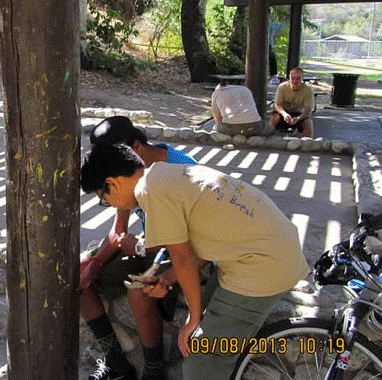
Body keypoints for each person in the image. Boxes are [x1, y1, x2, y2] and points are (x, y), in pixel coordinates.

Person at [80, 143, 309, 380]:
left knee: (200, 367)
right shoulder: (164, 175)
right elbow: (200, 247)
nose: (111, 204)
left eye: (104, 198)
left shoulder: (152, 191)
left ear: (113, 183)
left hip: (261, 267)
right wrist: (166, 278)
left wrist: (193, 318)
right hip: (267, 253)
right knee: (197, 342)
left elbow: (183, 259)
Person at [81, 116, 198, 380]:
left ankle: (154, 371)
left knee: (139, 293)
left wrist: (142, 247)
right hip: (149, 246)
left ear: (135, 146)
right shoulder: (124, 172)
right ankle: (116, 364)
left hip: (182, 250)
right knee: (79, 273)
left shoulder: (179, 171)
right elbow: (118, 229)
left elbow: (189, 244)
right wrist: (96, 264)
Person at [269, 67, 315, 137]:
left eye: (298, 78)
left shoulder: (308, 90)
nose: (295, 81)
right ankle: (267, 137)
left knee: (308, 123)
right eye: (293, 78)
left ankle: (307, 143)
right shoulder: (282, 87)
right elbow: (277, 105)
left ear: (302, 79)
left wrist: (298, 118)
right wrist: (284, 114)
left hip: (299, 115)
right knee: (274, 117)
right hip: (283, 113)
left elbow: (308, 110)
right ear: (289, 78)